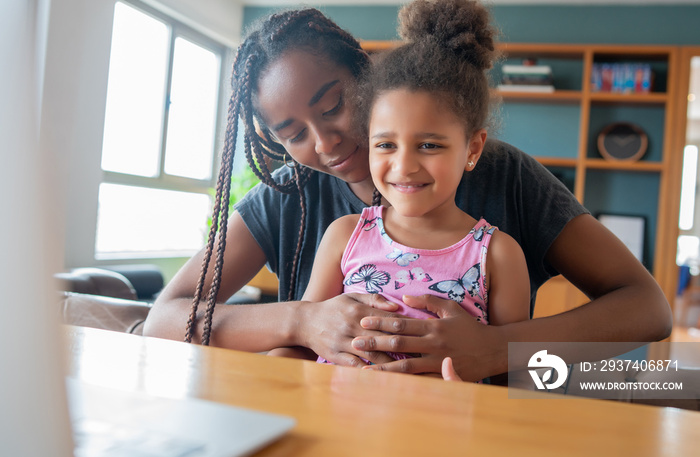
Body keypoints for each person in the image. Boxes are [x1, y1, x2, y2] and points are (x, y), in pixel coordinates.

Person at [143, 0, 672, 382]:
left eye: (333, 107)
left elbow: (647, 307)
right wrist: (303, 320)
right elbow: (164, 319)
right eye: (294, 133)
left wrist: (495, 349)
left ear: (369, 78)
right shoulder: (290, 198)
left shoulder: (503, 177)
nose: (324, 142)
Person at [267, 0, 531, 370]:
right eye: (385, 145)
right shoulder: (345, 236)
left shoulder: (499, 256)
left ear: (472, 149)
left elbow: (514, 376)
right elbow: (299, 343)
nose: (403, 167)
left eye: (429, 145)